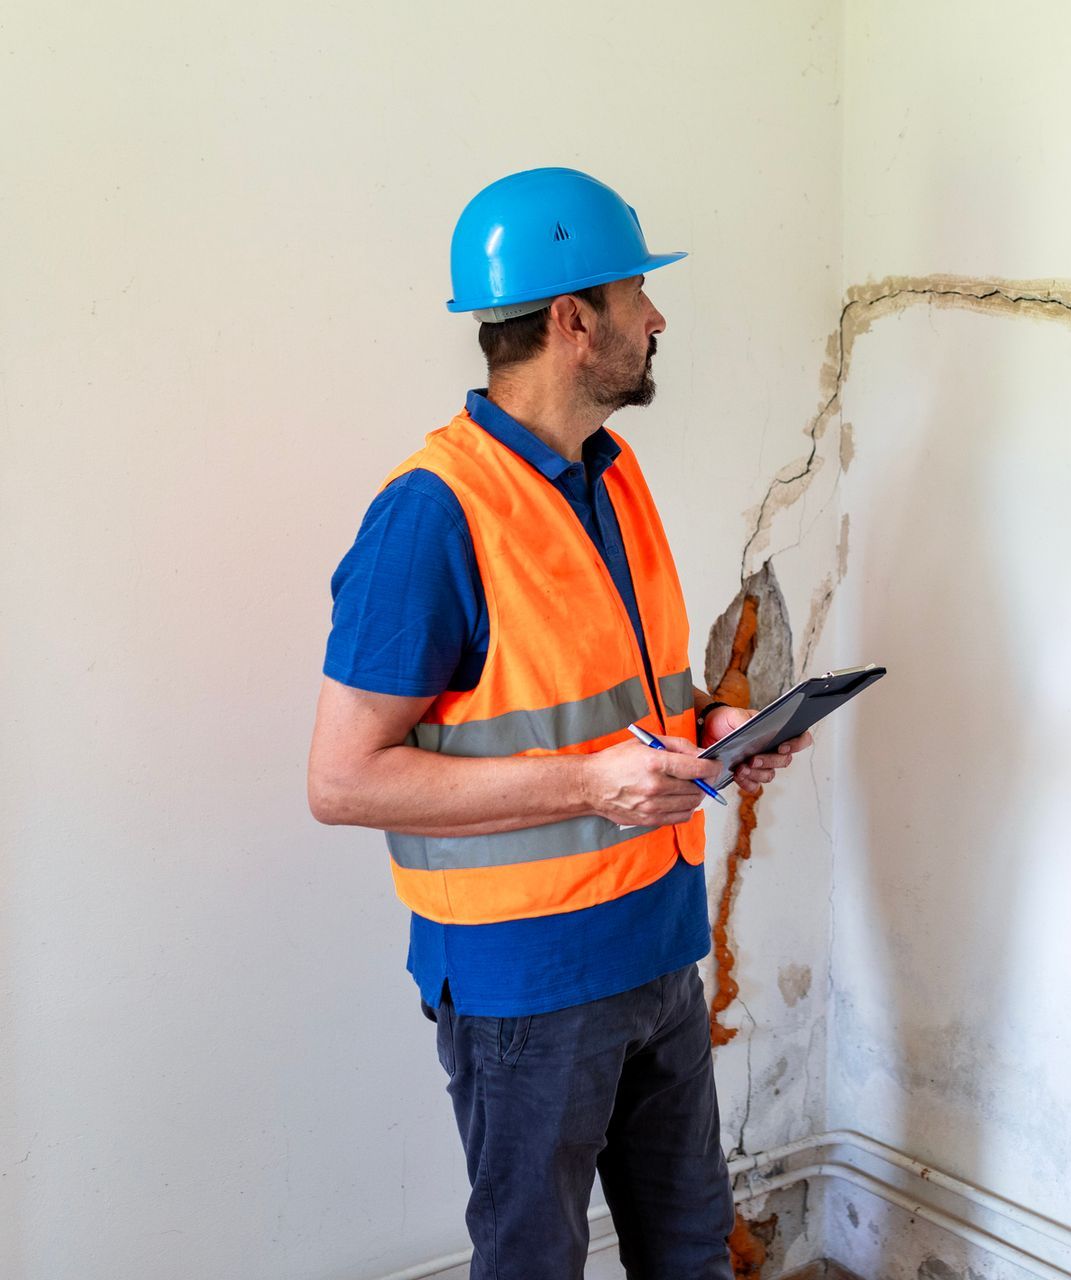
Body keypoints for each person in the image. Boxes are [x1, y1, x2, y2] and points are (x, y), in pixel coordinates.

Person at [306, 167, 810, 1280]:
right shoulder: (431, 514)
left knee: (689, 1251)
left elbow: (621, 699)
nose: (659, 317)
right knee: (534, 1262)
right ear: (576, 322)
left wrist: (720, 721)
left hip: (657, 947)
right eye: (639, 294)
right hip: (524, 989)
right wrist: (588, 785)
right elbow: (343, 779)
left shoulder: (610, 472)